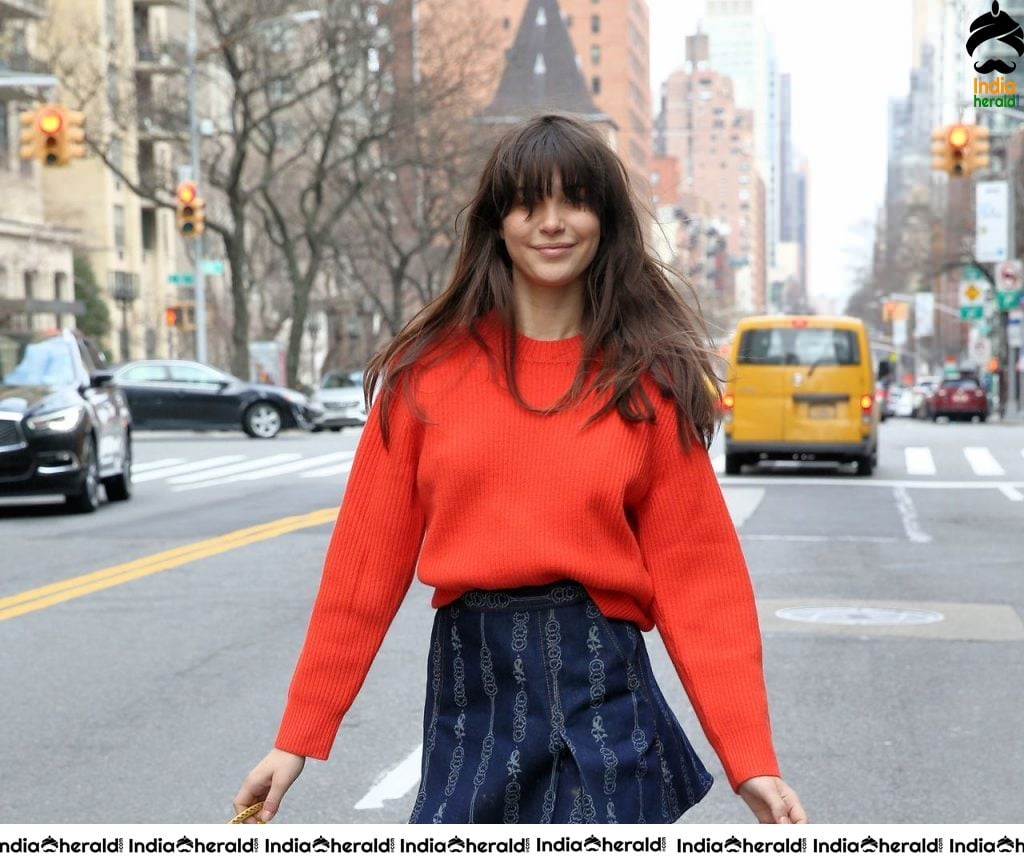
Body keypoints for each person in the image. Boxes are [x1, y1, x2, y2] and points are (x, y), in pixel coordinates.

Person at [234, 113, 807, 826]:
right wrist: (296, 738)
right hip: (476, 682)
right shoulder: (425, 379)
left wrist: (750, 759)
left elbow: (702, 582)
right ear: (497, 223)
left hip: (604, 681)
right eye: (529, 203)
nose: (553, 223)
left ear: (605, 220)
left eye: (575, 201)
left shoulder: (647, 384)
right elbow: (362, 570)